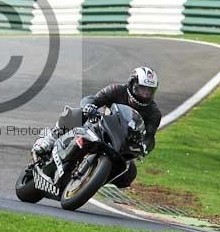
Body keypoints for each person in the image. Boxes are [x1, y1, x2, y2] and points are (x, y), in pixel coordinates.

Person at [31, 67, 162, 189]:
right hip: (101, 125)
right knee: (76, 113)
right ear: (132, 84)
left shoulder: (154, 113)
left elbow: (150, 137)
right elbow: (92, 99)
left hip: (122, 143)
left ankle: (92, 180)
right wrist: (89, 106)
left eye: (149, 91)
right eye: (142, 89)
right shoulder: (117, 90)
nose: (145, 94)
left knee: (129, 173)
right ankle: (50, 139)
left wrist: (144, 148)